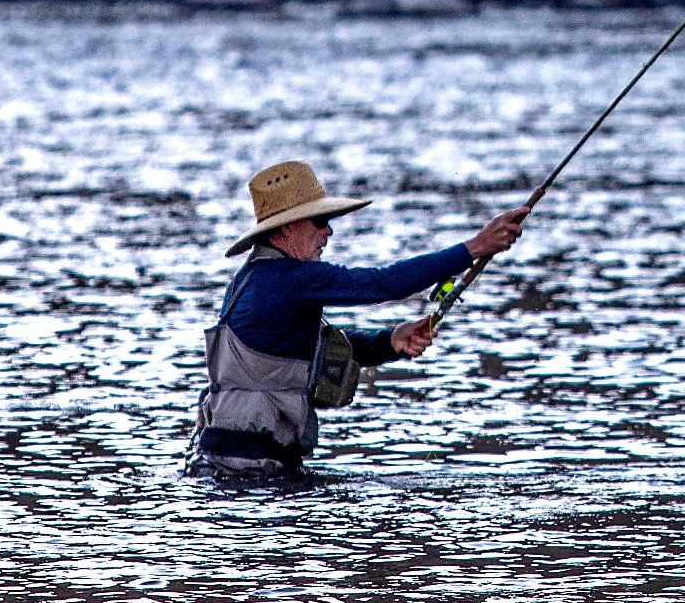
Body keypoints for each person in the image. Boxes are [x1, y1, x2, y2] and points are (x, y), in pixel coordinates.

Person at [193, 158, 530, 478]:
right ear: (287, 228)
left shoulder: (249, 279)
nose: (329, 233)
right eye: (321, 221)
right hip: (252, 472)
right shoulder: (290, 279)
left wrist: (389, 342)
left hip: (226, 464)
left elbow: (304, 350)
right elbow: (384, 283)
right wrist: (475, 247)